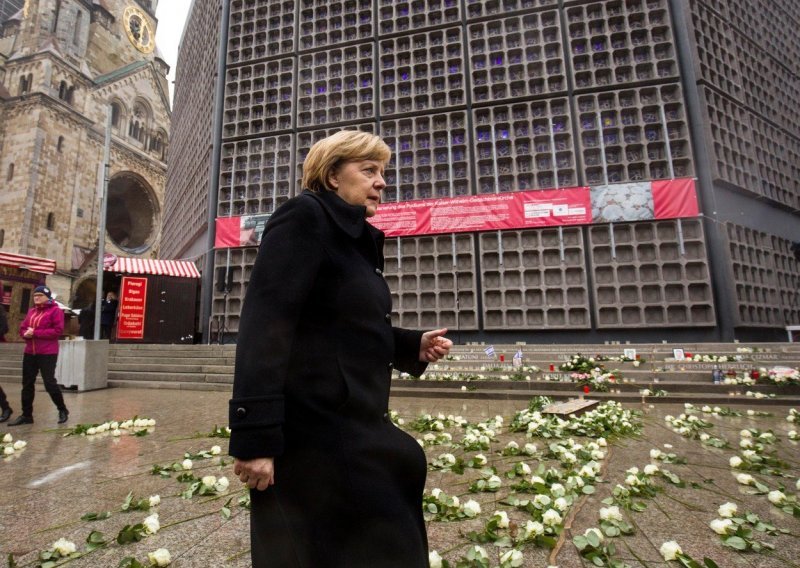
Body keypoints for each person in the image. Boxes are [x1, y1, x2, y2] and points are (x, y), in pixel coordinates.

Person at [229, 130, 452, 568]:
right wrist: (254, 440)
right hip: (314, 440)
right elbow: (264, 326)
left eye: (383, 172)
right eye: (368, 170)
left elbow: (345, 326)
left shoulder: (354, 239)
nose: (382, 182)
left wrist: (411, 345)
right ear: (332, 176)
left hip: (353, 431)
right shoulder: (304, 218)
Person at [9, 285, 69, 425]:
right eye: (35, 296)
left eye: (40, 295)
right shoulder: (31, 312)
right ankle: (26, 415)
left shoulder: (55, 311)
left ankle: (62, 409)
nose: (36, 298)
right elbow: (23, 328)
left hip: (47, 352)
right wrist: (25, 334)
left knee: (49, 383)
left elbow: (57, 331)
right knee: (27, 384)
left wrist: (35, 333)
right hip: (30, 352)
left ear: (47, 297)